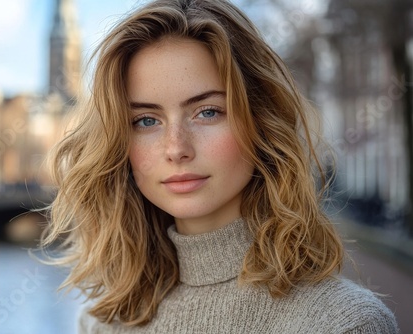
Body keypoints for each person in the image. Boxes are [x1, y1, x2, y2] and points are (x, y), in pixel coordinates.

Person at [41, 0, 398, 332]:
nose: (176, 148)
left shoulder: (341, 323)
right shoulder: (105, 321)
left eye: (207, 112)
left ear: (260, 121)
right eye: (146, 121)